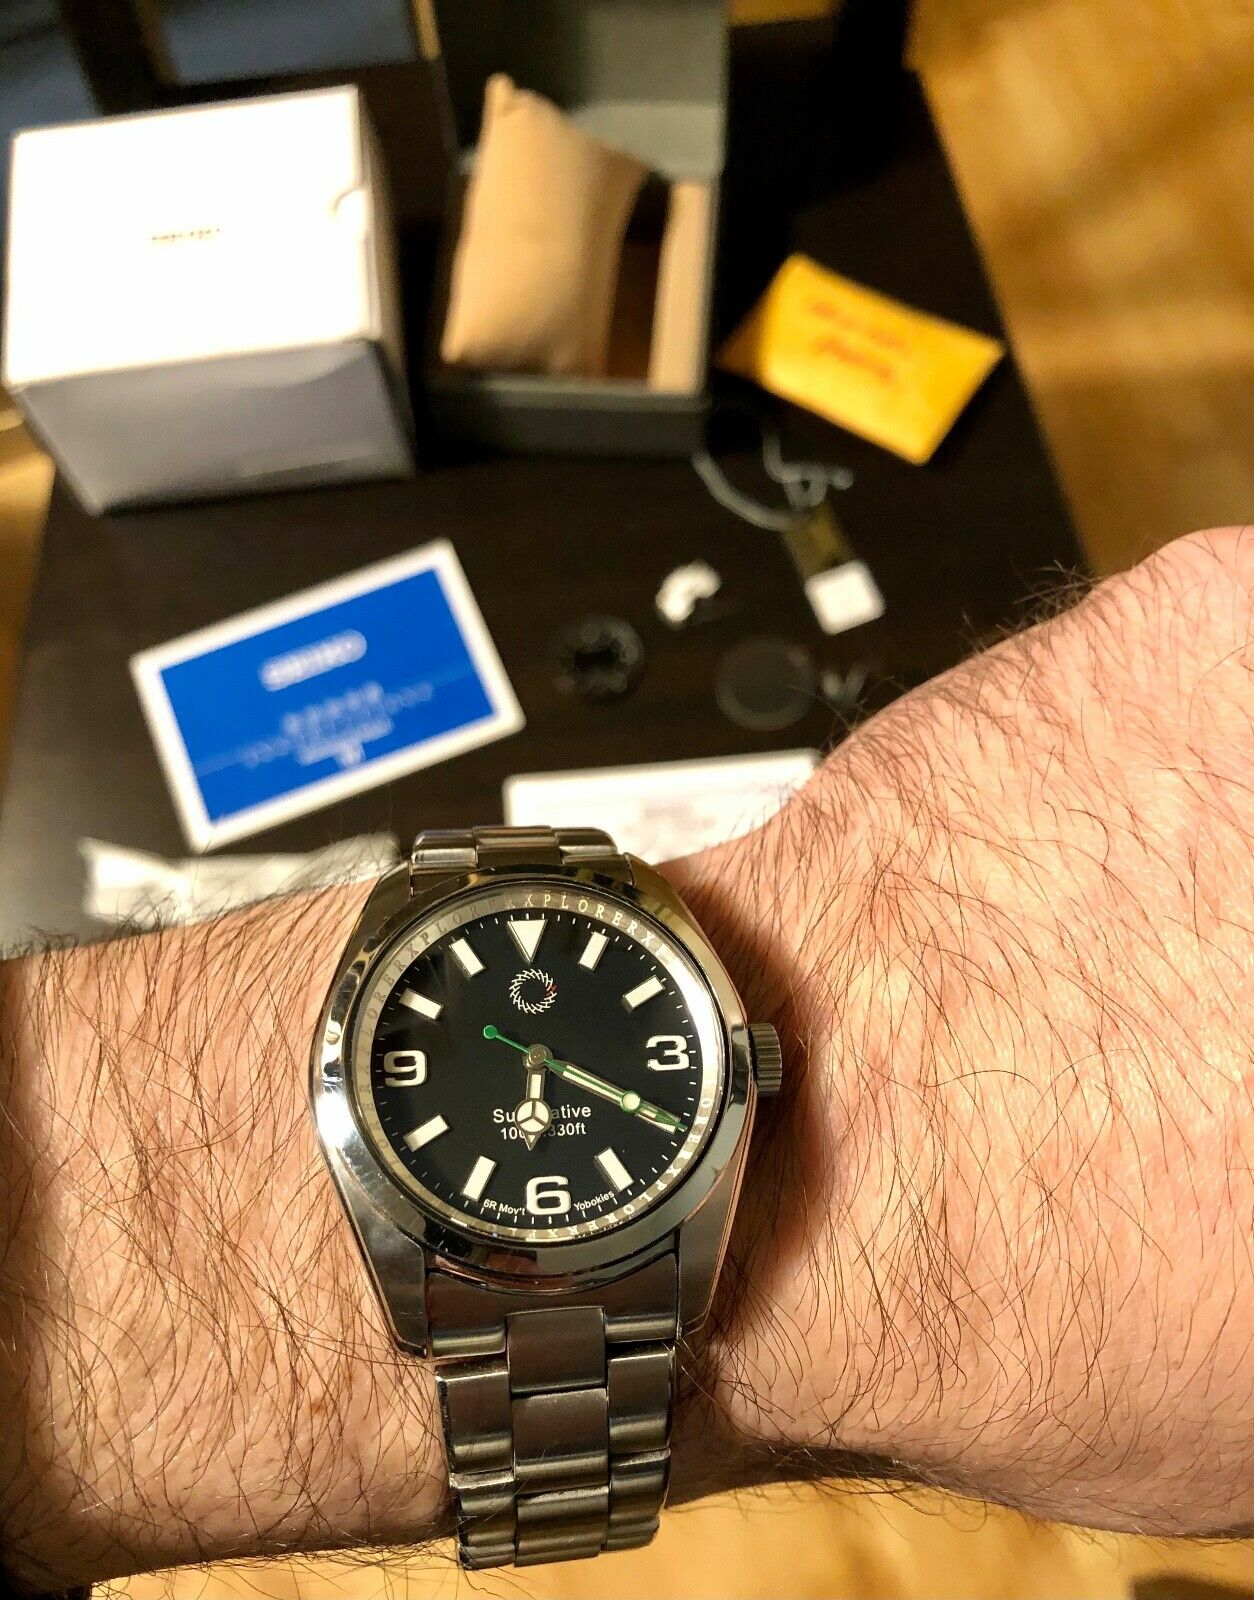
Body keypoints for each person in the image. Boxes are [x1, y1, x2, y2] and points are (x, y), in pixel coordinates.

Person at [0, 527, 1249, 1593]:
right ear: (347, 1084)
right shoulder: (380, 1094)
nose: (534, 1063)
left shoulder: (704, 1103)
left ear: (747, 1065)